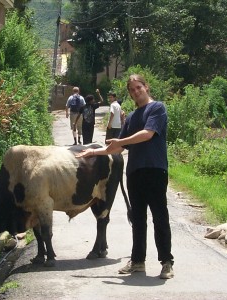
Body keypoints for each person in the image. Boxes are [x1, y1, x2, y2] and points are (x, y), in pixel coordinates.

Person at [75, 74, 174, 279]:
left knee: (159, 217)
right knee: (137, 219)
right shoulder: (132, 117)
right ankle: (138, 261)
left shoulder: (157, 108)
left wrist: (121, 140)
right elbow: (117, 147)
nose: (136, 92)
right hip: (135, 172)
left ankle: (166, 262)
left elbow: (147, 134)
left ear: (146, 87)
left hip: (155, 170)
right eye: (132, 90)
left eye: (139, 87)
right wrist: (93, 152)